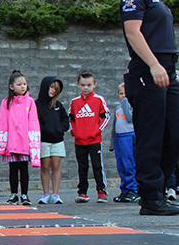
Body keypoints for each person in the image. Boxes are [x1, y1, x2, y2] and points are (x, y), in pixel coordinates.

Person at [120, 0, 179, 216]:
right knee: (150, 136)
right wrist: (154, 64)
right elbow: (133, 33)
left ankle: (161, 188)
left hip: (166, 70)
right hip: (147, 71)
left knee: (173, 132)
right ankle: (151, 197)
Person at [0, 70, 40, 205]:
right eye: (19, 84)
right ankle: (13, 194)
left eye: (24, 84)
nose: (22, 86)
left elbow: (33, 123)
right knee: (13, 169)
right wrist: (2, 144)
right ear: (11, 86)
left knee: (24, 169)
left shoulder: (30, 102)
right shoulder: (6, 103)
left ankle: (24, 194)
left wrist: (33, 143)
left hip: (24, 143)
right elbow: (2, 122)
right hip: (11, 144)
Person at [69, 70, 110, 204]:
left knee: (97, 166)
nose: (86, 88)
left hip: (95, 140)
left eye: (89, 85)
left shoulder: (99, 100)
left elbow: (106, 116)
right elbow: (71, 118)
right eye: (83, 85)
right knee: (82, 167)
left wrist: (97, 130)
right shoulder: (74, 102)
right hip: (79, 141)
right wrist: (74, 132)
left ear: (94, 85)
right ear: (78, 85)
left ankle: (102, 191)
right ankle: (82, 192)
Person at [35, 76, 70, 204]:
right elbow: (34, 121)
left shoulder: (58, 105)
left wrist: (60, 129)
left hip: (58, 140)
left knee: (56, 166)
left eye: (56, 89)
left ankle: (55, 194)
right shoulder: (36, 104)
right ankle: (45, 193)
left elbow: (65, 120)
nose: (53, 90)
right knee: (44, 167)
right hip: (44, 140)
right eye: (51, 87)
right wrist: (44, 129)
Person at [110, 83, 139, 203]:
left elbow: (129, 118)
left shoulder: (131, 106)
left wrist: (126, 102)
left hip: (129, 137)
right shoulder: (118, 108)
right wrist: (112, 142)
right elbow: (114, 126)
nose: (124, 96)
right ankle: (125, 189)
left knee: (129, 164)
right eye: (121, 94)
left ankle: (133, 189)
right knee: (121, 166)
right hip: (119, 138)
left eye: (126, 93)